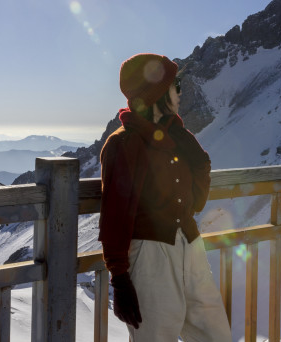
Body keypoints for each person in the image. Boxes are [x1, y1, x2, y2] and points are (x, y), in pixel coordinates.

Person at [98, 53, 232, 342]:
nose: (181, 92)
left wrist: (185, 141)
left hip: (190, 245)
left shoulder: (174, 137)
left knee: (216, 335)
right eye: (175, 84)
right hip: (150, 256)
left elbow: (195, 198)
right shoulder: (124, 143)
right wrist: (120, 279)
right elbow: (115, 216)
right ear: (156, 92)